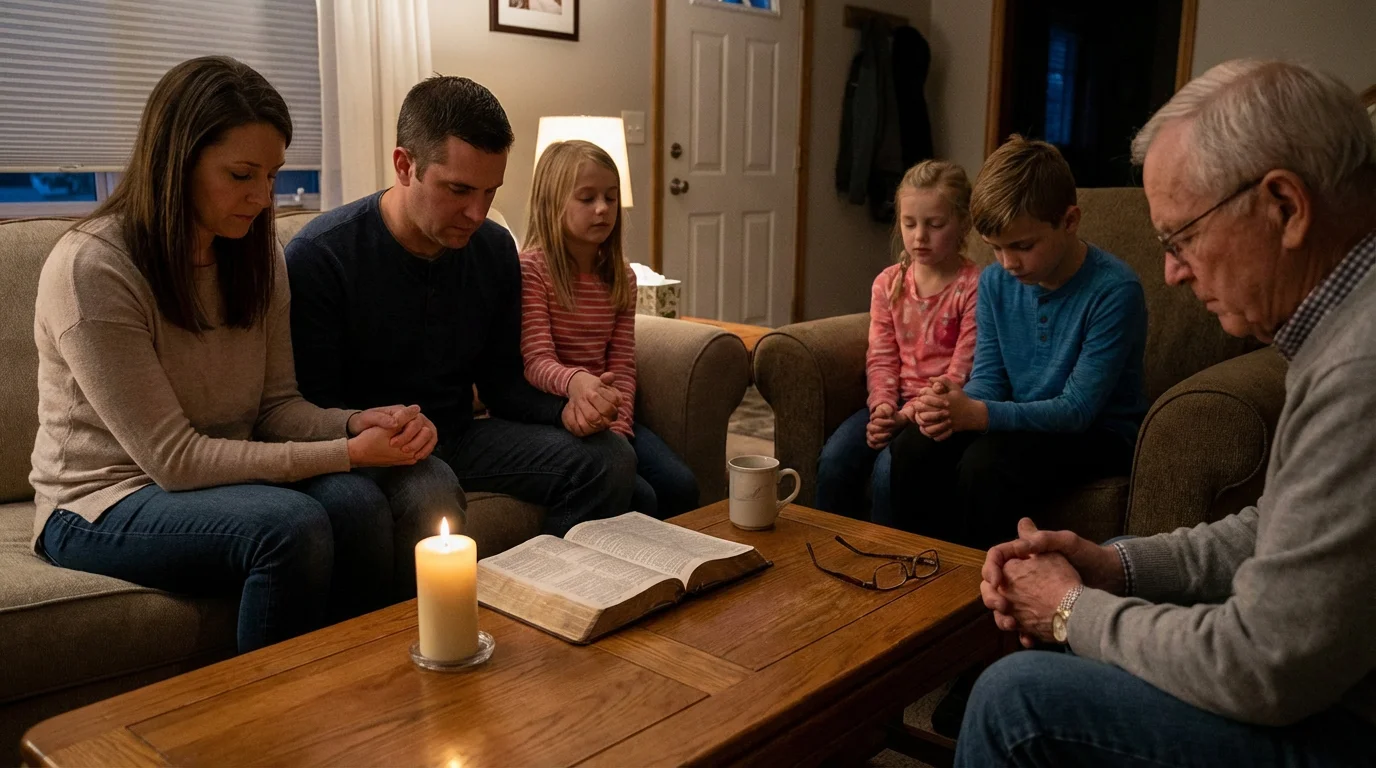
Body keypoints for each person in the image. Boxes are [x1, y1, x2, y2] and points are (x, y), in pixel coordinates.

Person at [961, 59, 1376, 767]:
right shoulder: (1341, 327)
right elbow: (1278, 526)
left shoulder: (1359, 368)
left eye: (1180, 239)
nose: (1173, 274)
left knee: (1015, 698)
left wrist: (1071, 609)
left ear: (1285, 205)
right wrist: (1114, 567)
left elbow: (1261, 665)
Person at [30, 56, 425, 653]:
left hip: (208, 477)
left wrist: (354, 422)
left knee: (360, 504)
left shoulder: (256, 255)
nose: (262, 198)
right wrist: (346, 452)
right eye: (242, 175)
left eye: (272, 176)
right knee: (289, 528)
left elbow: (276, 407)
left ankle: (362, 685)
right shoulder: (93, 268)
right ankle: (273, 709)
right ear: (178, 161)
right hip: (99, 502)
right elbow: (174, 460)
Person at [285, 76, 637, 561]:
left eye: (490, 192)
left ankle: (550, 588)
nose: (476, 213)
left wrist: (567, 408)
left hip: (460, 434)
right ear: (405, 165)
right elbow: (308, 405)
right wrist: (371, 431)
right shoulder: (324, 255)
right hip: (377, 445)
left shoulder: (493, 248)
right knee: (431, 492)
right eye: (459, 189)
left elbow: (503, 384)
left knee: (610, 458)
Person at [887, 135, 1148, 550]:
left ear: (1069, 221)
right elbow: (989, 378)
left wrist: (978, 414)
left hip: (1098, 432)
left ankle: (976, 584)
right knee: (915, 444)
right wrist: (950, 403)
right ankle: (914, 567)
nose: (1008, 263)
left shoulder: (1115, 291)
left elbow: (1077, 409)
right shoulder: (995, 281)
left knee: (986, 465)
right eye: (996, 249)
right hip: (1022, 417)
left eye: (1023, 246)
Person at [518, 140, 699, 519]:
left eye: (611, 198)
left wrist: (618, 428)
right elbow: (536, 361)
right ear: (552, 203)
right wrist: (579, 386)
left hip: (609, 417)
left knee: (681, 484)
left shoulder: (622, 277)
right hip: (558, 413)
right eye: (587, 198)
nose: (602, 208)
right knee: (641, 496)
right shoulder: (532, 271)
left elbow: (623, 366)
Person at [815, 160, 979, 524]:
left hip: (937, 410)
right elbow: (881, 357)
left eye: (934, 224)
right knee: (834, 460)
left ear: (962, 223)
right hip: (892, 403)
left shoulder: (973, 286)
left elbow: (961, 372)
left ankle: (888, 554)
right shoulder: (888, 283)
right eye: (909, 223)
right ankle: (825, 548)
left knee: (888, 474)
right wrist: (884, 408)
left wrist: (906, 417)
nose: (920, 236)